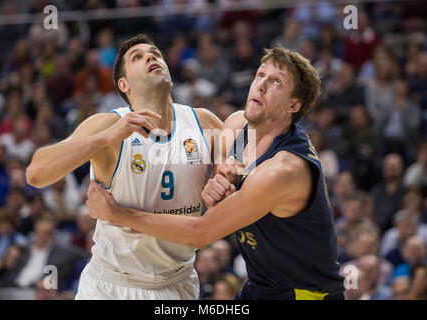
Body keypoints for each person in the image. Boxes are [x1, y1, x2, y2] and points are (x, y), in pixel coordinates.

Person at [86, 46, 346, 300]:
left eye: (276, 81)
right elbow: (222, 177)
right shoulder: (237, 125)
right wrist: (220, 178)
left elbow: (200, 233)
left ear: (293, 104)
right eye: (260, 75)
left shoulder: (283, 169)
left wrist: (117, 214)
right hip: (263, 285)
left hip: (306, 292)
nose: (261, 85)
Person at [26, 34, 223, 300]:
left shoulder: (204, 123)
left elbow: (238, 186)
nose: (151, 57)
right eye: (137, 57)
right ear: (124, 84)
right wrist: (104, 138)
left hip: (179, 282)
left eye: (155, 53)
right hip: (111, 285)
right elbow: (36, 174)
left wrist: (226, 185)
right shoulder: (108, 125)